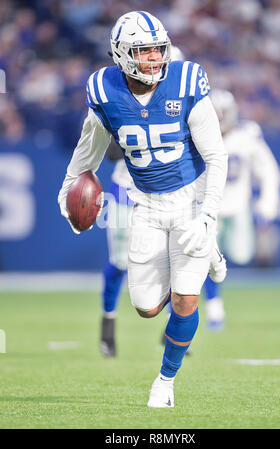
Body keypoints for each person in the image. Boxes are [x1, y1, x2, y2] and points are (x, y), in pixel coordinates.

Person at [58, 11, 228, 408]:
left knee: (186, 299)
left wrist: (208, 214)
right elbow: (86, 159)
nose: (153, 58)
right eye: (143, 51)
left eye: (157, 49)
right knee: (147, 308)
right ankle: (204, 259)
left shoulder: (186, 81)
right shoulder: (104, 90)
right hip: (146, 205)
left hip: (190, 200)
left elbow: (217, 156)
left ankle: (165, 383)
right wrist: (68, 198)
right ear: (121, 54)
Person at [100, 45, 185, 358]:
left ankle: (172, 329)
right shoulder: (119, 97)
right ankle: (107, 326)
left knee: (176, 259)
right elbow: (109, 152)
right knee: (120, 261)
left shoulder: (184, 101)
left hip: (171, 194)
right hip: (127, 192)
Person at [202, 89, 280, 331]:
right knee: (205, 258)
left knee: (242, 254)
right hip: (209, 208)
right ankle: (214, 306)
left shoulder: (247, 135)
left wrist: (267, 206)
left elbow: (267, 170)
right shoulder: (197, 135)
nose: (220, 117)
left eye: (223, 112)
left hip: (237, 207)